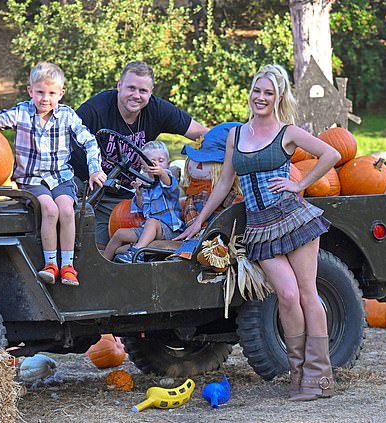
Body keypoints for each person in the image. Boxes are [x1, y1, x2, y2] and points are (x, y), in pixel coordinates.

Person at [176, 64, 341, 401]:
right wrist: (200, 220)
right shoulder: (237, 134)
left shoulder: (287, 132)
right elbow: (224, 182)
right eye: (257, 91)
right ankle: (298, 376)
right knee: (287, 295)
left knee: (308, 294)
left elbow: (332, 153)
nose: (260, 97)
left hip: (293, 218)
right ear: (250, 93)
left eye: (268, 92)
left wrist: (300, 184)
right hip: (261, 228)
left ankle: (321, 378)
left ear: (278, 96)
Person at [0, 62, 107, 286]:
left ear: (61, 94)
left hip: (60, 176)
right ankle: (50, 264)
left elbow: (90, 141)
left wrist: (95, 169)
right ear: (30, 91)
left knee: (66, 209)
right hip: (31, 179)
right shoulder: (22, 112)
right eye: (40, 92)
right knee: (50, 209)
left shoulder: (67, 116)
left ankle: (68, 266)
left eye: (52, 93)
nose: (46, 98)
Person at [70, 60, 208, 249]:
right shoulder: (95, 110)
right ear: (119, 86)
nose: (136, 96)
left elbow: (201, 133)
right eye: (131, 88)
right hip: (86, 182)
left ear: (150, 92)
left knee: (108, 239)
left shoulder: (157, 109)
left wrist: (234, 145)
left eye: (143, 91)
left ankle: (118, 263)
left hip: (126, 191)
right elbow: (63, 141)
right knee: (73, 220)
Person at [103, 141, 184, 262]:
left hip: (171, 230)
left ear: (168, 163)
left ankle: (136, 252)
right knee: (120, 233)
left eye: (161, 161)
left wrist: (162, 173)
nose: (156, 164)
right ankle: (103, 263)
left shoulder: (168, 178)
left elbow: (169, 186)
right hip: (149, 229)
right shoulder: (145, 184)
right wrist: (139, 193)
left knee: (152, 221)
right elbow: (141, 209)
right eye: (151, 162)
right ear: (143, 167)